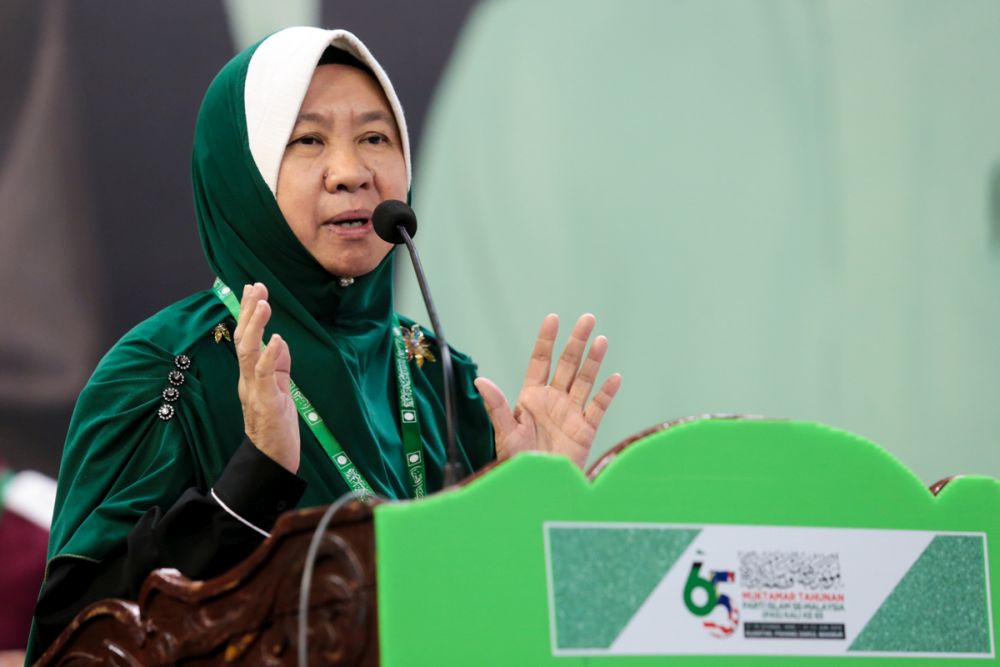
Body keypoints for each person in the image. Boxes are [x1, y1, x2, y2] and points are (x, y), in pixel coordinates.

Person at [28, 27, 621, 659]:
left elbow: (509, 632)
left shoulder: (437, 373)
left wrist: (537, 508)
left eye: (374, 138)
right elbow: (80, 640)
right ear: (241, 172)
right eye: (307, 140)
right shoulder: (166, 371)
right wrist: (255, 475)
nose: (353, 174)